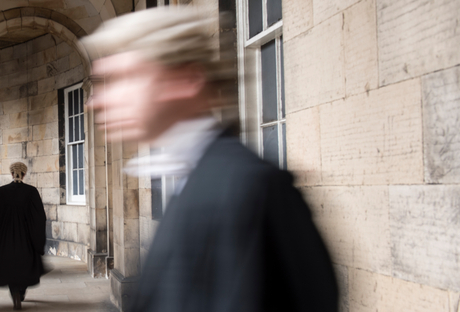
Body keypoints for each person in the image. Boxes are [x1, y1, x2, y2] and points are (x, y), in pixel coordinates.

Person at [80, 7, 339, 312]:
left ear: (186, 80)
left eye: (124, 77)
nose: (97, 101)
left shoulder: (250, 189)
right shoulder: (195, 177)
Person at [0, 162, 47, 310]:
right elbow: (39, 217)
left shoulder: (0, 192)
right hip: (26, 239)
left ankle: (15, 295)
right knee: (25, 267)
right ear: (24, 174)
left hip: (5, 239)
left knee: (10, 268)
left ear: (11, 174)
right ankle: (21, 291)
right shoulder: (31, 192)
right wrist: (37, 240)